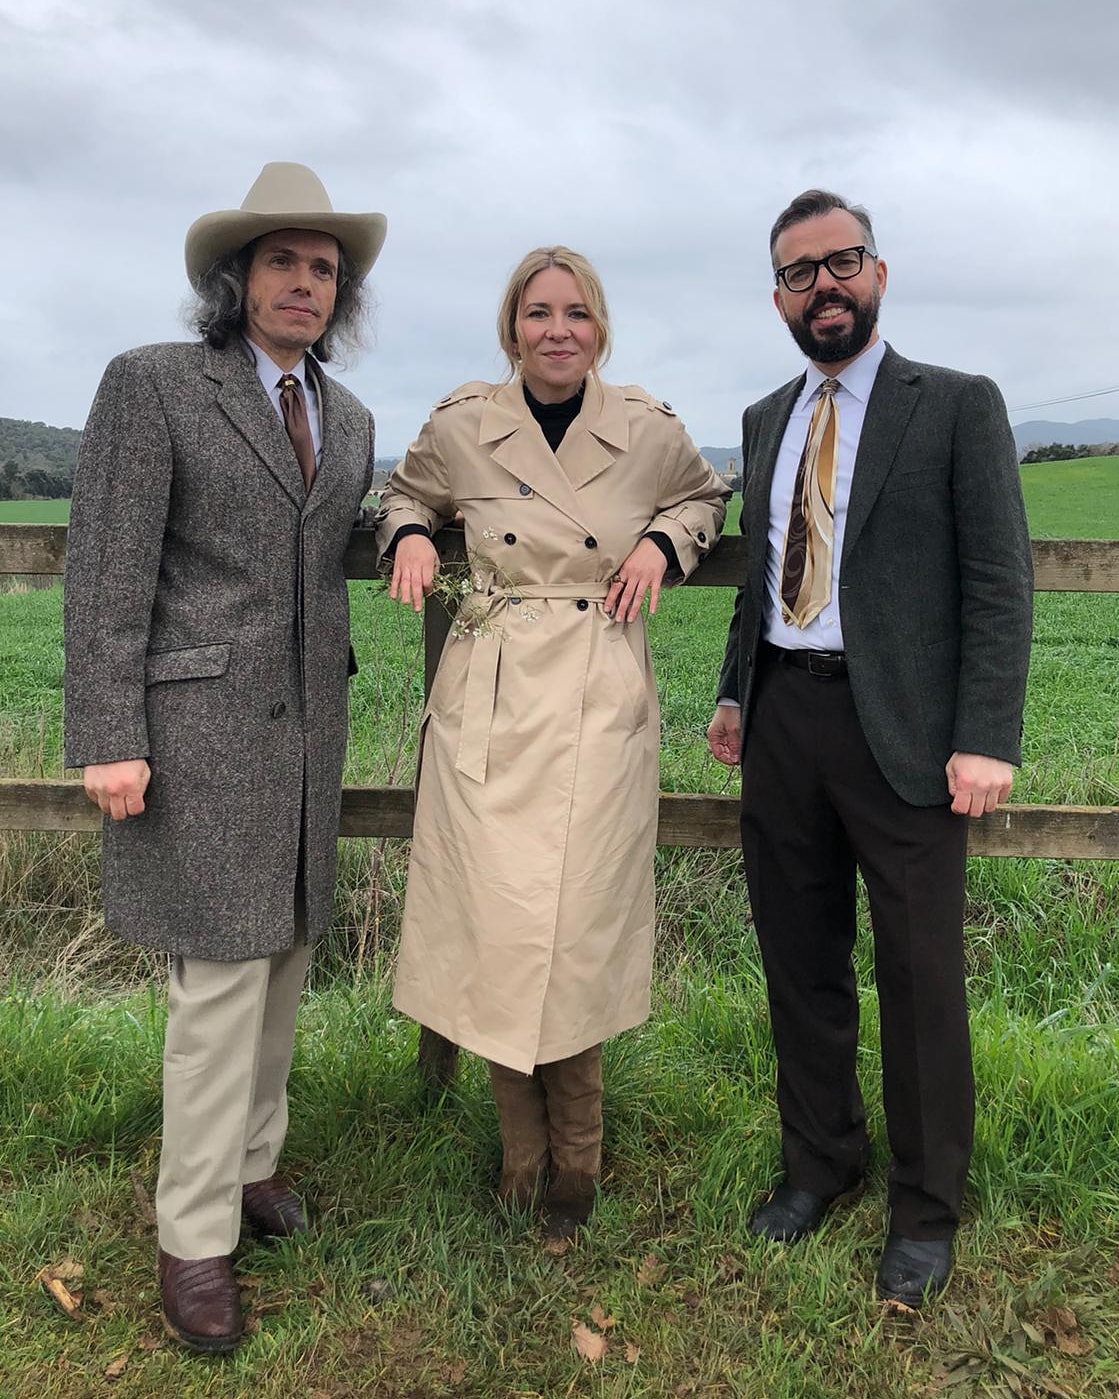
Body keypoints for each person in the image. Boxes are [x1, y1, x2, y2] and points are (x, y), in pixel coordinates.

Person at [63, 162, 386, 1352]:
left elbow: (341, 536)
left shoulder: (347, 417)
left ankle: (251, 1169)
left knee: (288, 958)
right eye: (284, 263)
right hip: (194, 739)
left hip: (309, 737)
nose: (305, 284)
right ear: (237, 277)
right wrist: (107, 734)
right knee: (216, 988)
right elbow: (106, 570)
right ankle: (191, 1236)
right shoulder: (153, 385)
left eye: (323, 269)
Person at [707, 190, 1033, 1308]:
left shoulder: (955, 406)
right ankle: (821, 1166)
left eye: (841, 262)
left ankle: (926, 1205)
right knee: (800, 965)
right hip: (786, 721)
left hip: (906, 736)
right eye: (801, 273)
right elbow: (762, 576)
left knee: (920, 977)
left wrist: (987, 736)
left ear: (878, 271)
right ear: (780, 298)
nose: (824, 286)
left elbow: (999, 581)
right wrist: (734, 690)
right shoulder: (763, 419)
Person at [377, 246, 730, 1238]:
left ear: (601, 327)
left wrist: (665, 544)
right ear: (511, 327)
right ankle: (522, 1161)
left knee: (573, 932)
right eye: (539, 313)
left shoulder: (649, 431)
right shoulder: (461, 425)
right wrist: (406, 533)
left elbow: (705, 496)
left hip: (597, 692)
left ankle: (577, 1163)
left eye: (576, 312)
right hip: (489, 701)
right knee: (495, 928)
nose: (558, 329)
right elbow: (405, 494)